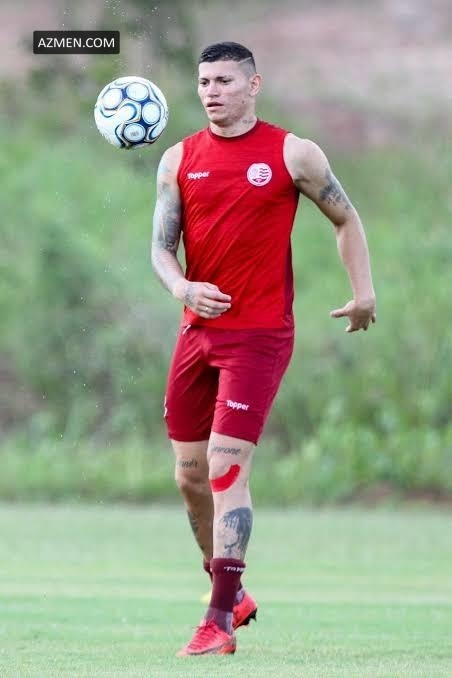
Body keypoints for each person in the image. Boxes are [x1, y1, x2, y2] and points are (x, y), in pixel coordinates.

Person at [151, 41, 376, 657]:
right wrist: (183, 287)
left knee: (226, 467)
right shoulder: (178, 158)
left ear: (254, 85)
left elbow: (346, 218)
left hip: (258, 337)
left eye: (225, 81)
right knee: (189, 476)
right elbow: (161, 249)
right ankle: (232, 592)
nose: (212, 91)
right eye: (204, 82)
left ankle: (218, 620)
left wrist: (363, 293)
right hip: (196, 334)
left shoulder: (292, 153)